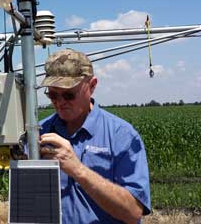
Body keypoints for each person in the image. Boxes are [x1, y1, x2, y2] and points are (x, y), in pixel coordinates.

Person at [38, 48, 151, 224]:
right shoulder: (39, 132)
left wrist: (77, 169)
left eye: (69, 94)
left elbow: (133, 211)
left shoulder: (122, 136)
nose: (60, 102)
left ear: (92, 86)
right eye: (53, 94)